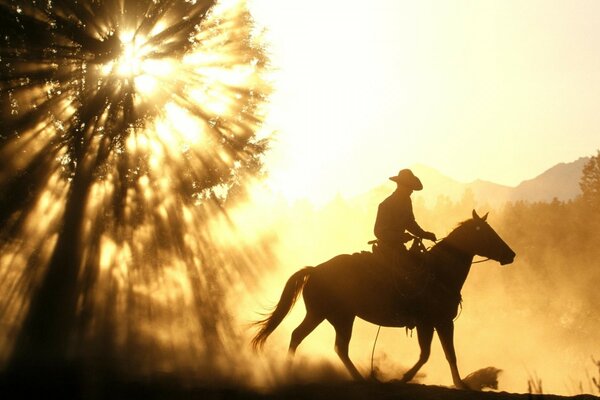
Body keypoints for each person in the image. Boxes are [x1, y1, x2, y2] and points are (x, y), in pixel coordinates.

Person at [374, 168, 437, 264]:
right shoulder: (386, 205)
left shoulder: (406, 201)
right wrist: (401, 236)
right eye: (409, 187)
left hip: (398, 248)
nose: (411, 191)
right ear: (401, 185)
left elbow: (410, 223)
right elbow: (379, 232)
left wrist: (424, 234)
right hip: (387, 250)